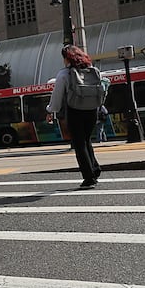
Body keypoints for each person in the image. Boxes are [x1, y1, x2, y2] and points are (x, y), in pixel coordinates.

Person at [45, 44, 103, 188]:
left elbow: (57, 96)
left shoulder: (64, 74)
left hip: (75, 110)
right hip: (92, 110)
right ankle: (94, 169)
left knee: (79, 144)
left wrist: (50, 110)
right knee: (87, 140)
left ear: (67, 58)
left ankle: (88, 178)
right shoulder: (94, 71)